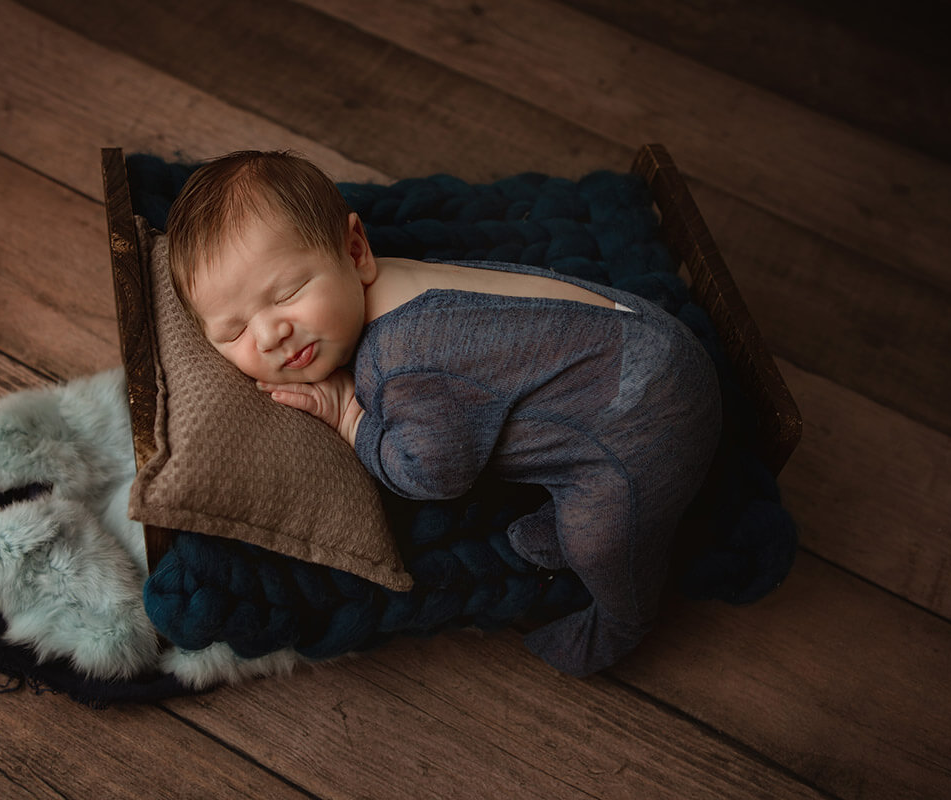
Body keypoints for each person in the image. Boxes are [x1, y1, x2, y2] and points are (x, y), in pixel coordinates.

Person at [166, 150, 722, 676]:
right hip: (646, 338)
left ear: (355, 251)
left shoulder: (405, 359)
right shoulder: (395, 280)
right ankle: (572, 499)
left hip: (646, 422)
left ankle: (623, 621)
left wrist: (351, 419)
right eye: (234, 331)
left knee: (600, 539)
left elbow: (431, 474)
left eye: (288, 292)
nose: (269, 334)